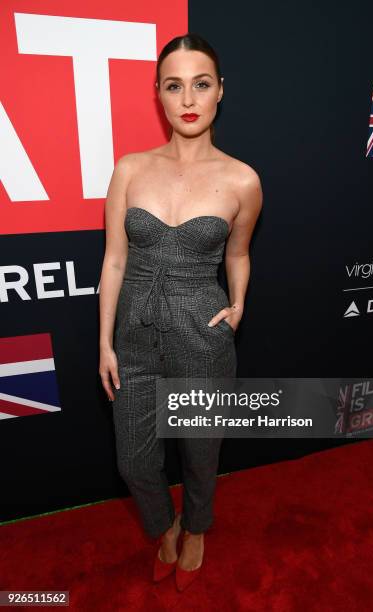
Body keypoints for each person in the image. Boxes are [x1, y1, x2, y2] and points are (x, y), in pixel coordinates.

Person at [99, 32, 262, 591]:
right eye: (175, 85)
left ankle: (195, 528)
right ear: (159, 96)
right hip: (135, 334)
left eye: (201, 83)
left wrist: (237, 305)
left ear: (220, 92)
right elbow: (115, 262)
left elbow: (238, 254)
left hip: (202, 330)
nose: (188, 97)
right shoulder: (130, 168)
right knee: (135, 464)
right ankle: (163, 521)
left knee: (199, 454)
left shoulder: (242, 179)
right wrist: (105, 343)